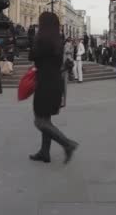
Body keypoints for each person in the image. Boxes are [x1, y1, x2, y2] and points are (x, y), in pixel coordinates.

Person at [28, 12, 78, 164]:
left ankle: (67, 144)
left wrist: (35, 39)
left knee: (39, 121)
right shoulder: (57, 40)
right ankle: (44, 152)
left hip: (45, 83)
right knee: (46, 119)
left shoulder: (43, 40)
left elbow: (32, 55)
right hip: (55, 83)